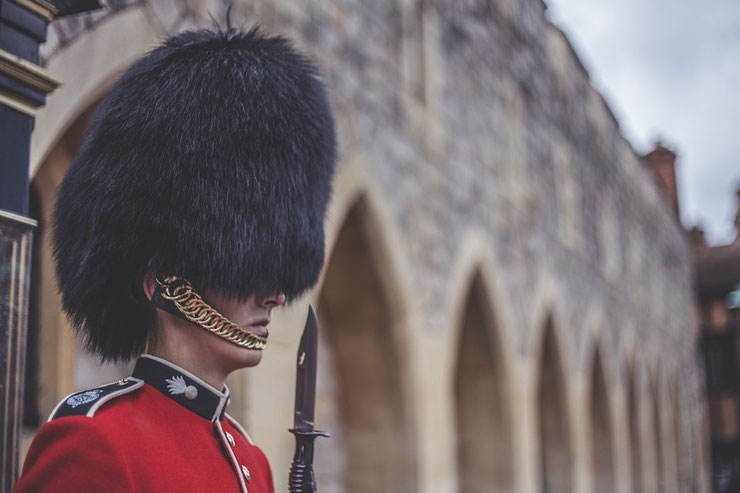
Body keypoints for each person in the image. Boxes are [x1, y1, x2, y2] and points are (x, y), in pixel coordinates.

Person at [14, 25, 336, 493]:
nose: (277, 295)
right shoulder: (94, 442)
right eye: (249, 266)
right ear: (165, 283)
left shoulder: (253, 463)